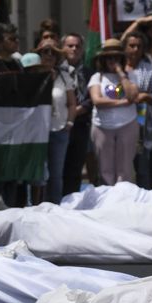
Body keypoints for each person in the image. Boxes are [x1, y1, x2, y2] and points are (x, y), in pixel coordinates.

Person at [88, 39, 138, 186]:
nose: (112, 60)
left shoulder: (130, 75)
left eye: (116, 57)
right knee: (105, 169)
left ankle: (124, 198)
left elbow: (132, 96)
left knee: (125, 168)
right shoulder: (96, 77)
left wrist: (120, 73)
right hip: (102, 127)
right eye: (109, 57)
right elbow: (97, 101)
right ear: (103, 59)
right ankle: (108, 198)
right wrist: (122, 103)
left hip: (127, 124)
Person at [123, 32, 152, 189]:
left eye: (139, 46)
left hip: (141, 117)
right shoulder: (117, 68)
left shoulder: (149, 70)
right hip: (118, 120)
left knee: (142, 166)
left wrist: (146, 96)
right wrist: (127, 93)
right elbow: (108, 90)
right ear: (125, 48)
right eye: (132, 45)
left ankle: (144, 197)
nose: (135, 49)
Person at [37, 39, 75, 203]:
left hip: (59, 130)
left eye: (53, 53)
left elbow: (72, 103)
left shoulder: (65, 76)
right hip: (38, 132)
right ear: (39, 54)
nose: (50, 56)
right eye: (46, 52)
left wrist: (69, 123)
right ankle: (37, 207)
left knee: (56, 174)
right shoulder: (32, 75)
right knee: (38, 175)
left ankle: (55, 207)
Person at [60, 33, 93, 196]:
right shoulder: (57, 70)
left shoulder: (89, 72)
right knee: (58, 168)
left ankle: (71, 203)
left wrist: (76, 111)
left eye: (77, 46)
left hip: (80, 125)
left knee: (75, 169)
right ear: (62, 48)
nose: (74, 49)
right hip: (59, 125)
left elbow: (92, 97)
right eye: (70, 45)